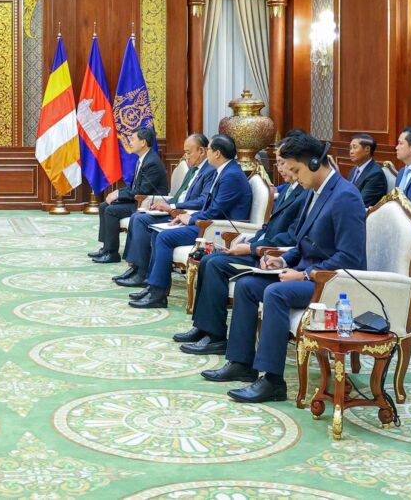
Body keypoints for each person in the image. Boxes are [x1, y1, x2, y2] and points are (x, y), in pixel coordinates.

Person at [201, 133, 366, 403]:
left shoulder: (345, 196)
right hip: (305, 274)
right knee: (247, 285)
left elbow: (350, 257)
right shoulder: (314, 192)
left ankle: (273, 381)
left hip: (330, 282)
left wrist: (303, 274)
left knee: (275, 293)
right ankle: (241, 363)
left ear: (314, 164)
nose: (294, 177)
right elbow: (302, 243)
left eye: (297, 170)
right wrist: (283, 260)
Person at [175, 138, 311, 355]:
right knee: (208, 260)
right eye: (278, 163)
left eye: (283, 163)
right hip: (260, 246)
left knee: (215, 264)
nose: (280, 168)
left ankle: (216, 336)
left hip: (269, 254)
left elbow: (290, 237)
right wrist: (249, 239)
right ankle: (203, 328)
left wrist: (252, 247)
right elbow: (268, 227)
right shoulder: (289, 189)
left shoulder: (305, 193)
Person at [128, 134, 251, 310]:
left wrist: (191, 219)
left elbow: (216, 211)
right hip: (209, 223)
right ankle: (153, 287)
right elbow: (211, 207)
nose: (206, 152)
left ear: (217, 153)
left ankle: (157, 294)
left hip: (219, 229)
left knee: (164, 237)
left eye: (209, 149)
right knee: (157, 232)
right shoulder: (224, 171)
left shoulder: (231, 175)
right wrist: (184, 217)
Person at [114, 133, 214, 287]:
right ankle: (136, 268)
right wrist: (163, 203)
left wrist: (172, 207)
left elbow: (202, 201)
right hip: (177, 211)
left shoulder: (210, 171)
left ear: (201, 151)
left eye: (188, 153)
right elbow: (179, 195)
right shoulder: (193, 169)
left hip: (185, 214)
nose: (186, 157)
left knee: (140, 220)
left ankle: (142, 273)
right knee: (138, 216)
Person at [89, 127, 169, 264]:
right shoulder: (143, 158)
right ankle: (106, 248)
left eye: (132, 139)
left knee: (111, 211)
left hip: (148, 204)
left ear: (143, 142)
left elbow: (142, 191)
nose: (129, 142)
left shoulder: (152, 163)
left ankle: (112, 254)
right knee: (103, 206)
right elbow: (134, 187)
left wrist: (118, 194)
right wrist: (117, 193)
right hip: (138, 199)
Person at [347, 133, 387, 207]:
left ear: (367, 150)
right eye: (350, 148)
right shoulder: (354, 170)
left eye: (354, 147)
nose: (351, 151)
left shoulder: (375, 174)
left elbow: (360, 203)